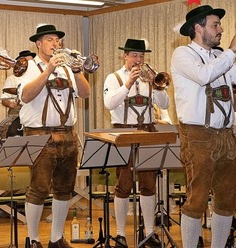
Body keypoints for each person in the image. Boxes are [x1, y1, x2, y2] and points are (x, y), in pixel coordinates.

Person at [171, 5, 236, 248]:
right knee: (197, 199)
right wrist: (231, 51)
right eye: (215, 25)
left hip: (226, 134)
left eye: (220, 25)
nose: (221, 29)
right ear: (198, 28)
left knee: (227, 199)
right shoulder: (182, 54)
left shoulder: (220, 56)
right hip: (198, 135)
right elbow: (204, 75)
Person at [18, 24, 91, 248]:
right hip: (40, 134)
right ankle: (33, 239)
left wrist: (77, 71)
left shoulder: (68, 68)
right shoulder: (28, 66)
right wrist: (48, 69)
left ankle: (56, 238)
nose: (55, 44)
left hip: (67, 135)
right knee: (38, 188)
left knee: (64, 188)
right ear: (38, 44)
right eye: (49, 40)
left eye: (57, 40)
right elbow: (26, 96)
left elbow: (86, 93)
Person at [102, 38, 169, 247]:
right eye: (134, 56)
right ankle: (121, 234)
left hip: (148, 132)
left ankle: (149, 232)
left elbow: (165, 103)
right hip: (124, 132)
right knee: (123, 185)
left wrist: (156, 86)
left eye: (141, 56)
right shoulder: (113, 78)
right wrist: (128, 83)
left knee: (149, 185)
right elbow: (109, 103)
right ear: (125, 56)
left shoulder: (150, 79)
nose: (138, 60)